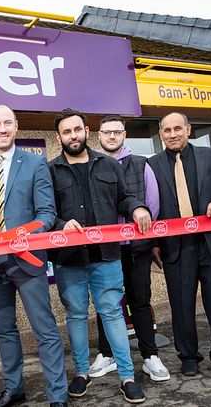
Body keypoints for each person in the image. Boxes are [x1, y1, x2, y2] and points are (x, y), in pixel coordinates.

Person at [0, 105, 68, 407]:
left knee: (44, 329)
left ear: (16, 126)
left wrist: (24, 237)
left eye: (7, 123)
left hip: (27, 259)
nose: (2, 129)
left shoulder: (35, 164)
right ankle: (14, 389)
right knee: (4, 330)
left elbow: (47, 212)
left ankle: (58, 396)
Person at [48, 108, 151, 404]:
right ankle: (81, 372)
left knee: (113, 314)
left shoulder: (108, 164)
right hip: (69, 260)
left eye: (77, 130)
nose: (73, 136)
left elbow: (124, 198)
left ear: (86, 131)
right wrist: (59, 225)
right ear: (59, 137)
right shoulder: (50, 170)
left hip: (106, 256)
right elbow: (44, 212)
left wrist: (137, 208)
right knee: (76, 316)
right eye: (66, 132)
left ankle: (127, 376)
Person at [147, 112, 211, 377]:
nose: (172, 134)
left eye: (177, 128)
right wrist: (154, 242)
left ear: (188, 129)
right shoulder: (151, 165)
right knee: (181, 304)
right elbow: (151, 206)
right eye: (166, 130)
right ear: (160, 134)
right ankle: (188, 356)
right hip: (175, 247)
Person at [90, 115, 170, 383]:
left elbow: (153, 204)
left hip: (137, 249)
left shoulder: (141, 164)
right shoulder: (92, 165)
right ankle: (107, 354)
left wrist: (145, 238)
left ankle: (150, 356)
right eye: (107, 132)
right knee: (106, 303)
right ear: (98, 135)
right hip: (105, 250)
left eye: (117, 132)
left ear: (124, 135)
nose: (111, 136)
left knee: (140, 302)